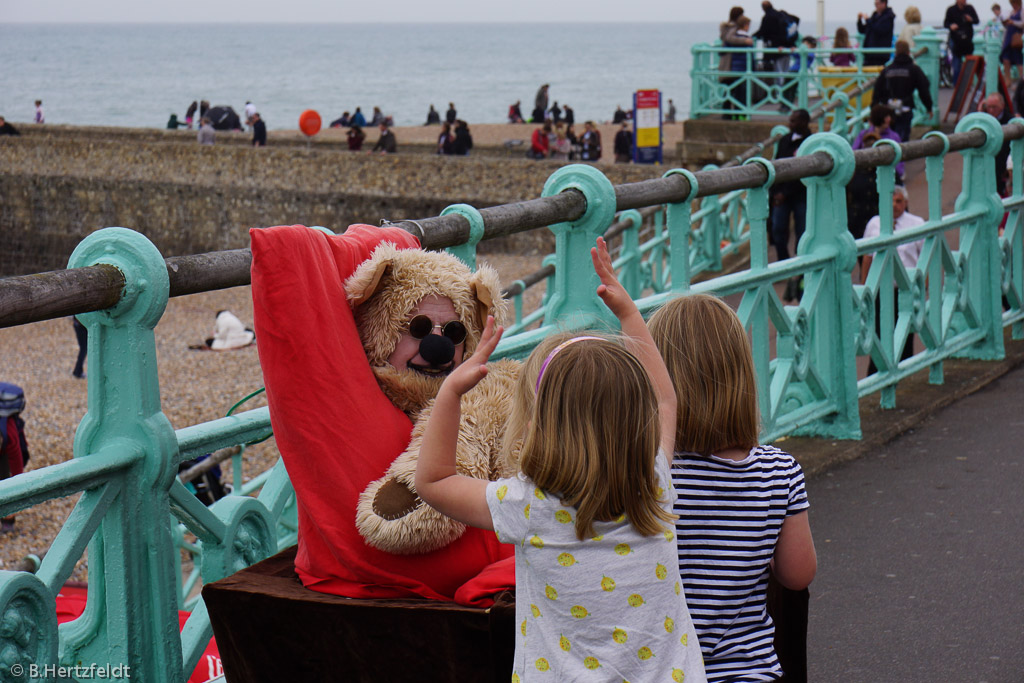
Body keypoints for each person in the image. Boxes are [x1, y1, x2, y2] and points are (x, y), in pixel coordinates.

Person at [415, 237, 707, 683]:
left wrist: (452, 390)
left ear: (535, 425)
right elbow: (667, 402)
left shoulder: (527, 507)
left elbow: (433, 481)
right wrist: (629, 314)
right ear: (637, 421)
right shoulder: (654, 483)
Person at [649, 293, 816, 683]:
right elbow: (798, 575)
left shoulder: (655, 479)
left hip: (670, 671)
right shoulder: (780, 472)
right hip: (753, 672)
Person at [862, 186, 925, 370]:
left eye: (898, 201)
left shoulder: (916, 223)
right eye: (891, 201)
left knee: (905, 335)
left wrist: (923, 286)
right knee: (879, 336)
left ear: (905, 203)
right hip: (882, 290)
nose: (894, 205)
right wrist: (866, 286)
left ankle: (904, 373)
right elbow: (867, 257)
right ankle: (875, 376)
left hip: (905, 289)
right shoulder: (875, 223)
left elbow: (924, 256)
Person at [771, 109, 812, 300]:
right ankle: (784, 264)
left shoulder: (811, 141)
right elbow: (778, 165)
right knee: (778, 229)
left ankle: (800, 268)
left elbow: (805, 171)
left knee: (802, 233)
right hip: (781, 194)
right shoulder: (785, 140)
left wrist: (784, 193)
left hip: (801, 193)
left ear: (804, 122)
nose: (790, 123)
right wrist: (775, 192)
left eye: (794, 120)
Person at [872, 40, 934, 145]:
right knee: (903, 139)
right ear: (909, 52)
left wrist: (873, 109)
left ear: (896, 53)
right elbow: (924, 88)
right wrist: (929, 107)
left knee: (889, 136)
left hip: (889, 110)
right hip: (906, 107)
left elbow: (877, 91)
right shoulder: (914, 70)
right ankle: (901, 157)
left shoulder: (887, 70)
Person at [0, 383, 30, 534]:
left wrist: (17, 490)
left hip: (4, 456)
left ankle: (7, 519)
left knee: (5, 482)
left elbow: (17, 465)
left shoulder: (9, 435)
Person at [754, 2, 798, 78]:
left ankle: (780, 88)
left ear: (763, 8)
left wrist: (753, 37)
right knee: (785, 70)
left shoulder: (768, 17)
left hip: (776, 47)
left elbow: (763, 30)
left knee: (778, 71)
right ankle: (785, 87)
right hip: (788, 45)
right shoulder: (781, 14)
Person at [980, 92, 1013, 195]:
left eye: (994, 107)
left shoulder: (1010, 121)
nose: (991, 110)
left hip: (1002, 167)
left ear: (1002, 106)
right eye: (988, 107)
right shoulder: (984, 118)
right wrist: (979, 111)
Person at [727, 16, 756, 120]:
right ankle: (743, 114)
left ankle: (735, 113)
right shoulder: (747, 39)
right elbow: (751, 56)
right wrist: (753, 68)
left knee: (736, 92)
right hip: (744, 68)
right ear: (745, 25)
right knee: (743, 93)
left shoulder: (734, 38)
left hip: (735, 68)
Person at [945, 0, 981, 85]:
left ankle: (967, 84)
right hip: (955, 39)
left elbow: (976, 21)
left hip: (967, 40)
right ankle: (956, 84)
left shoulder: (970, 8)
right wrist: (951, 26)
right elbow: (946, 23)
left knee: (969, 63)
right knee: (956, 64)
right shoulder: (951, 10)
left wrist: (970, 19)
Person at [858, 0, 897, 66]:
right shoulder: (875, 16)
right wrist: (859, 21)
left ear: (884, 3)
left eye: (877, 4)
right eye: (875, 4)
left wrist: (868, 20)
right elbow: (863, 30)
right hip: (869, 54)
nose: (876, 6)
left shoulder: (888, 17)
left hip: (880, 54)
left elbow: (879, 30)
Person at [1000, 0, 1023, 80]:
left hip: (1016, 39)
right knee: (1006, 59)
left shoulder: (1022, 11)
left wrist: (1013, 22)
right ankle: (1007, 80)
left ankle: (1021, 81)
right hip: (1009, 38)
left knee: (1018, 60)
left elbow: (1022, 24)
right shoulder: (1011, 12)